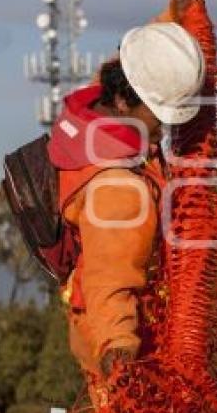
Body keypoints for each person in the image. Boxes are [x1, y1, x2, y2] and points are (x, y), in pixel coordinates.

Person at [47, 22, 204, 390]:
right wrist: (117, 347)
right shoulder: (119, 190)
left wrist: (172, 19)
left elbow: (137, 62)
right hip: (126, 340)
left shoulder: (90, 111)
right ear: (122, 100)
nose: (166, 126)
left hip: (97, 322)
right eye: (158, 114)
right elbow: (109, 281)